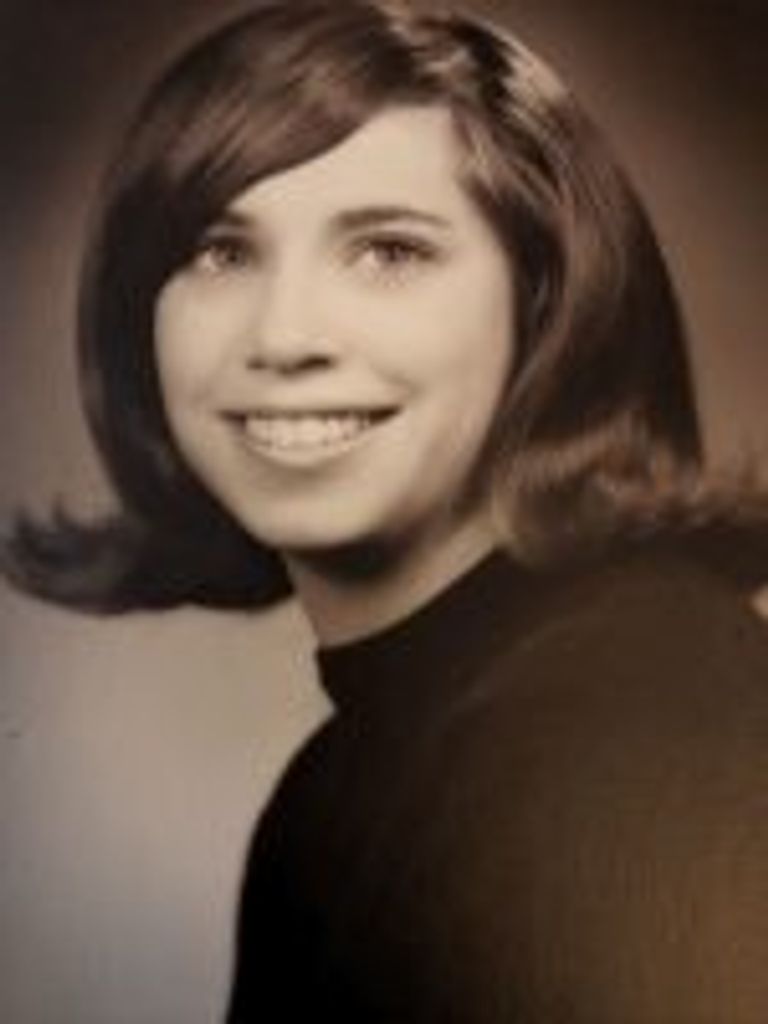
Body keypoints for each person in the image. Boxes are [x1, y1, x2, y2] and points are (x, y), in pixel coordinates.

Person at [3, 0, 768, 1020]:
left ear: (543, 303)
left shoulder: (638, 725)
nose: (284, 337)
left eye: (388, 252)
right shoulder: (334, 794)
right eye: (222, 251)